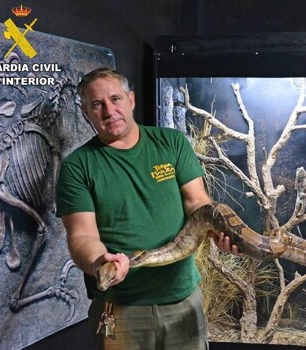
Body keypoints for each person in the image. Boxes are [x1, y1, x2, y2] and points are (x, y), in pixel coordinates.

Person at [55, 67, 237, 350]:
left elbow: (197, 202)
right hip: (120, 309)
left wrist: (218, 229)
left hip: (182, 300)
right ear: (85, 112)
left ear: (131, 100)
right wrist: (101, 261)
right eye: (96, 104)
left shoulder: (171, 143)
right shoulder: (77, 167)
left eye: (115, 99)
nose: (108, 110)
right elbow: (81, 236)